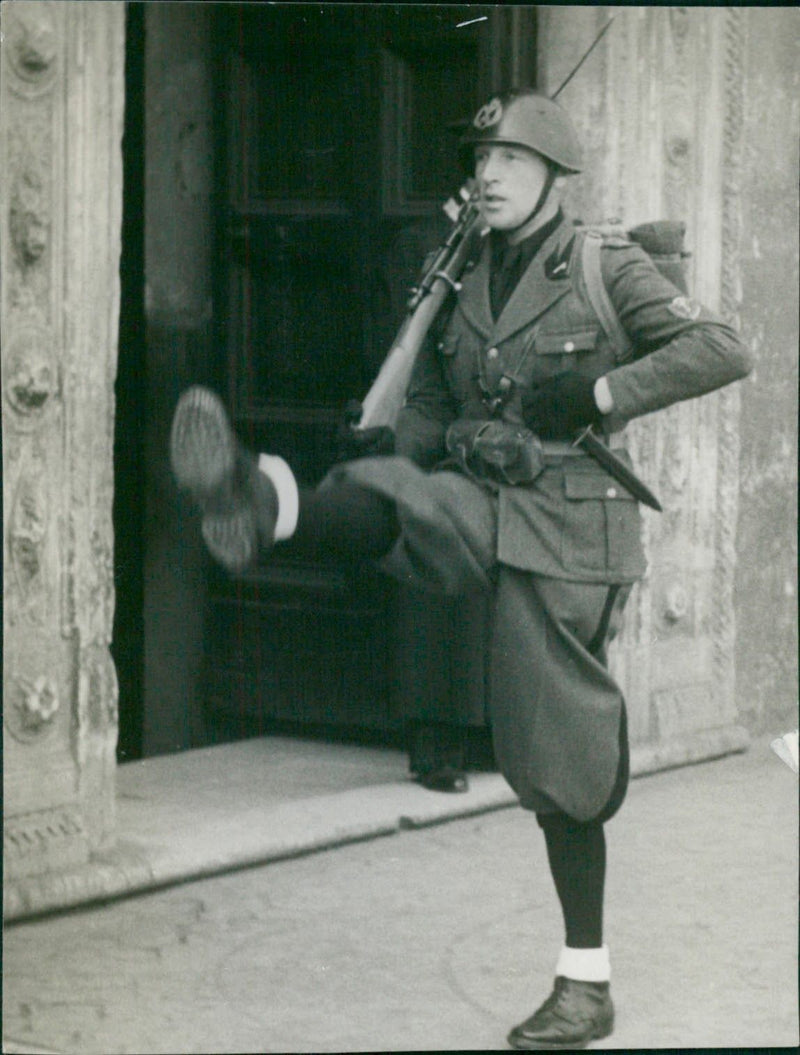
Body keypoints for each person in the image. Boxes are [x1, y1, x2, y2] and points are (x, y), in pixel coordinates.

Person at [170, 89, 752, 1049]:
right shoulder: (460, 278)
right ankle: (258, 499)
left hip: (571, 520)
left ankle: (586, 981)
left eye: (511, 162)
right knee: (395, 488)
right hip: (483, 495)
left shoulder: (608, 263)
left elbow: (722, 347)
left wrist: (603, 387)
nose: (486, 176)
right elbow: (436, 415)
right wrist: (390, 431)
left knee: (553, 750)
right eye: (480, 161)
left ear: (554, 178)